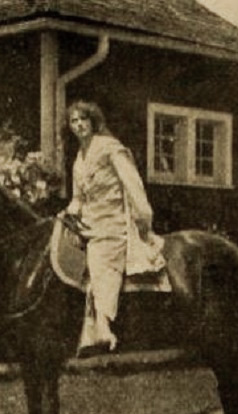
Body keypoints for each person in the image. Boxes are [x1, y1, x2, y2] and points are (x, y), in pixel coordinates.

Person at [63, 100, 165, 356]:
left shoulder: (110, 148)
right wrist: (68, 213)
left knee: (99, 256)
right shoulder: (79, 159)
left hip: (113, 221)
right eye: (73, 121)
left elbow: (133, 184)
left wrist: (144, 218)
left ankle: (103, 325)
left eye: (82, 120)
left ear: (93, 121)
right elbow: (78, 198)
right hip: (88, 221)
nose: (78, 126)